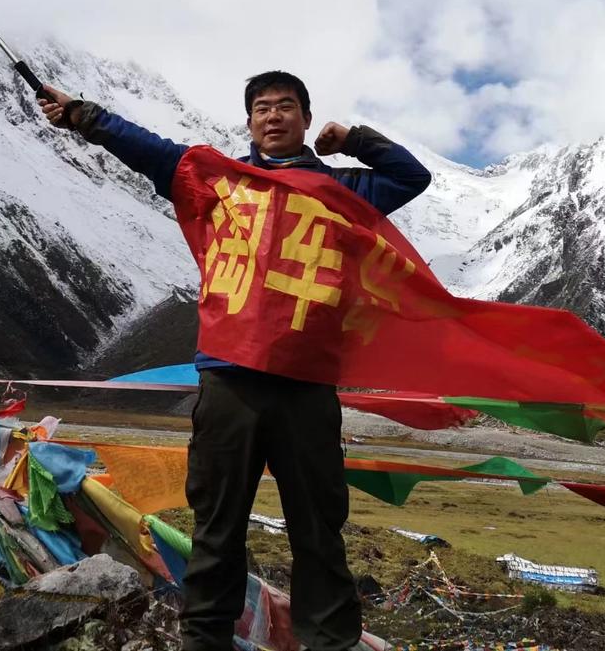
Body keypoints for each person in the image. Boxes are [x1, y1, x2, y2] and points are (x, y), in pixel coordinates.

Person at [38, 70, 431, 651]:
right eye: (263, 108)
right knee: (218, 525)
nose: (274, 116)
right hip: (229, 381)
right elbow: (144, 146)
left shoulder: (345, 190)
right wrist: (83, 115)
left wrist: (349, 137)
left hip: (307, 385)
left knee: (318, 529)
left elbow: (410, 176)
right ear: (248, 123)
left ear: (304, 118)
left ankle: (329, 641)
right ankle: (205, 639)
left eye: (287, 107)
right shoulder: (216, 181)